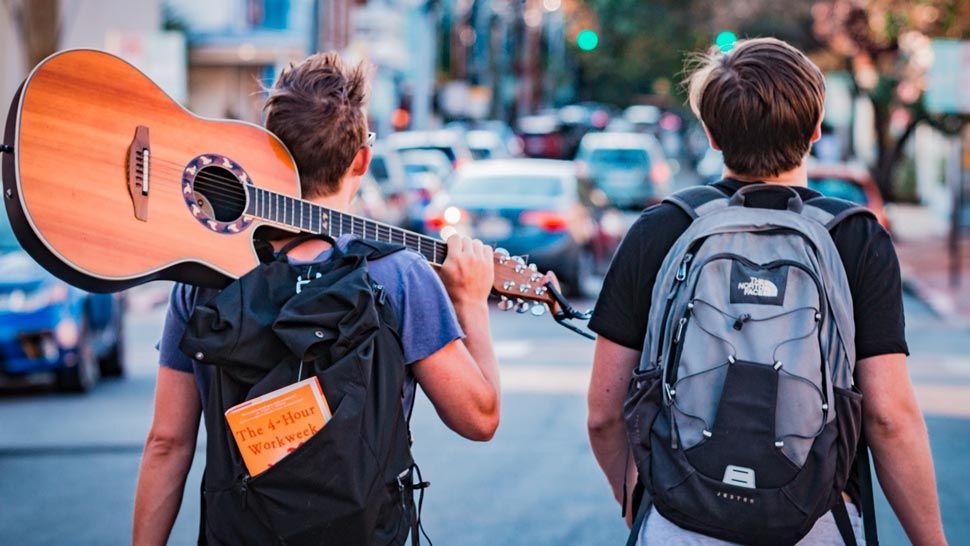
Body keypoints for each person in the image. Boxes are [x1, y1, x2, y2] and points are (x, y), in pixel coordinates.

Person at [587, 37, 947, 545]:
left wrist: (646, 507)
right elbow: (889, 418)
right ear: (816, 130)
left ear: (712, 135)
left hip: (680, 528)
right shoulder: (855, 237)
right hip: (813, 524)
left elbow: (604, 415)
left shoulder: (661, 229)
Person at [132, 52, 501, 545]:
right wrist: (472, 303)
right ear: (362, 161)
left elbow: (167, 442)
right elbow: (479, 419)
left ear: (265, 152)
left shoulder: (207, 277)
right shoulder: (398, 275)